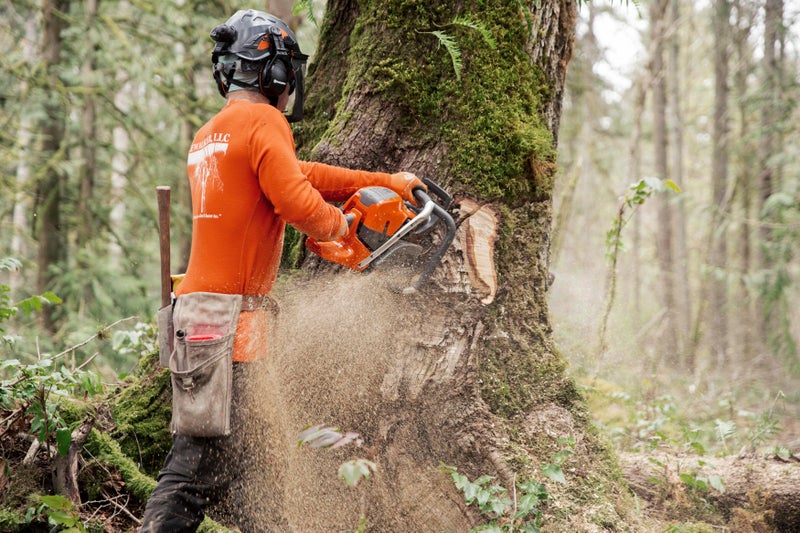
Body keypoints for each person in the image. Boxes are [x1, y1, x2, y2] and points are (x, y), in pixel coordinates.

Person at [140, 9, 425, 532]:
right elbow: (295, 198)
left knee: (247, 464)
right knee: (190, 471)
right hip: (226, 326)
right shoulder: (264, 121)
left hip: (206, 318)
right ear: (275, 72)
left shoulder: (212, 133)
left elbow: (298, 174)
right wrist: (342, 229)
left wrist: (385, 179)